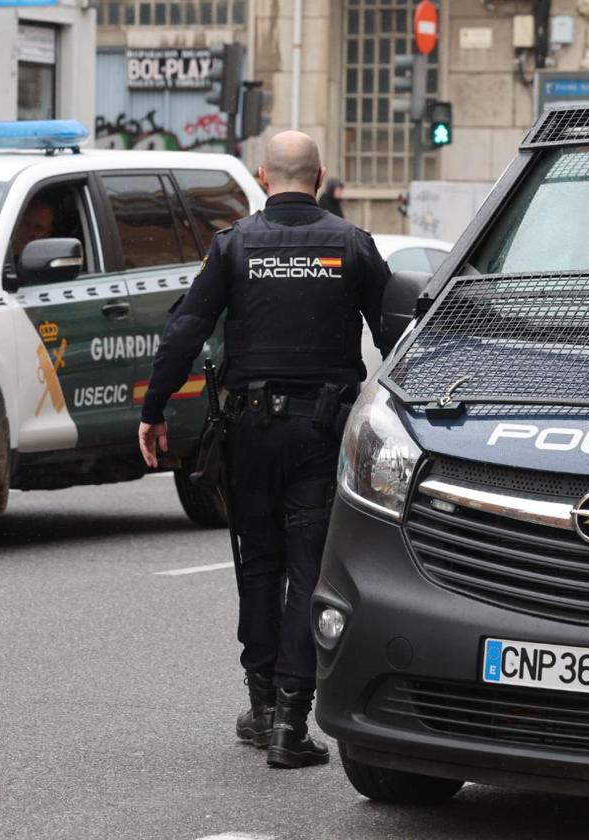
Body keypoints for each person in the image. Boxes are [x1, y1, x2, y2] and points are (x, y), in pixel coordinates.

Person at [136, 131, 392, 770]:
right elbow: (397, 334)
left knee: (259, 565)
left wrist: (154, 409)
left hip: (249, 432)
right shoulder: (352, 246)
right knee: (308, 570)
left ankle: (261, 706)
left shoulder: (234, 245)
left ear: (262, 175)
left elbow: (184, 331)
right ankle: (288, 724)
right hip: (319, 436)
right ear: (323, 175)